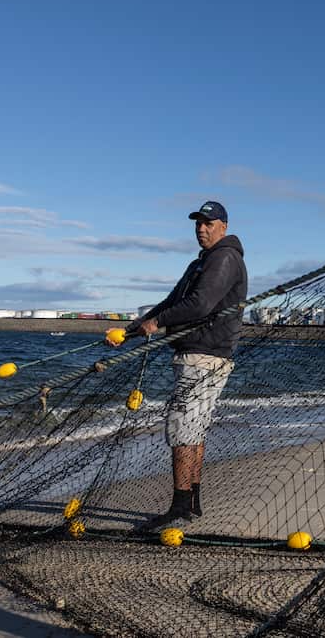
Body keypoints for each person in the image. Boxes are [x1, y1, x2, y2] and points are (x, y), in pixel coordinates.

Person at [109, 200, 248, 531]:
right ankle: (191, 503)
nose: (201, 228)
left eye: (209, 223)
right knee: (193, 427)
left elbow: (200, 305)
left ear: (224, 227)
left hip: (204, 355)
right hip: (197, 354)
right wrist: (130, 331)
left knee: (183, 429)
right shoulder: (200, 262)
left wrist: (157, 323)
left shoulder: (225, 258)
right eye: (198, 223)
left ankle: (179, 507)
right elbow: (172, 301)